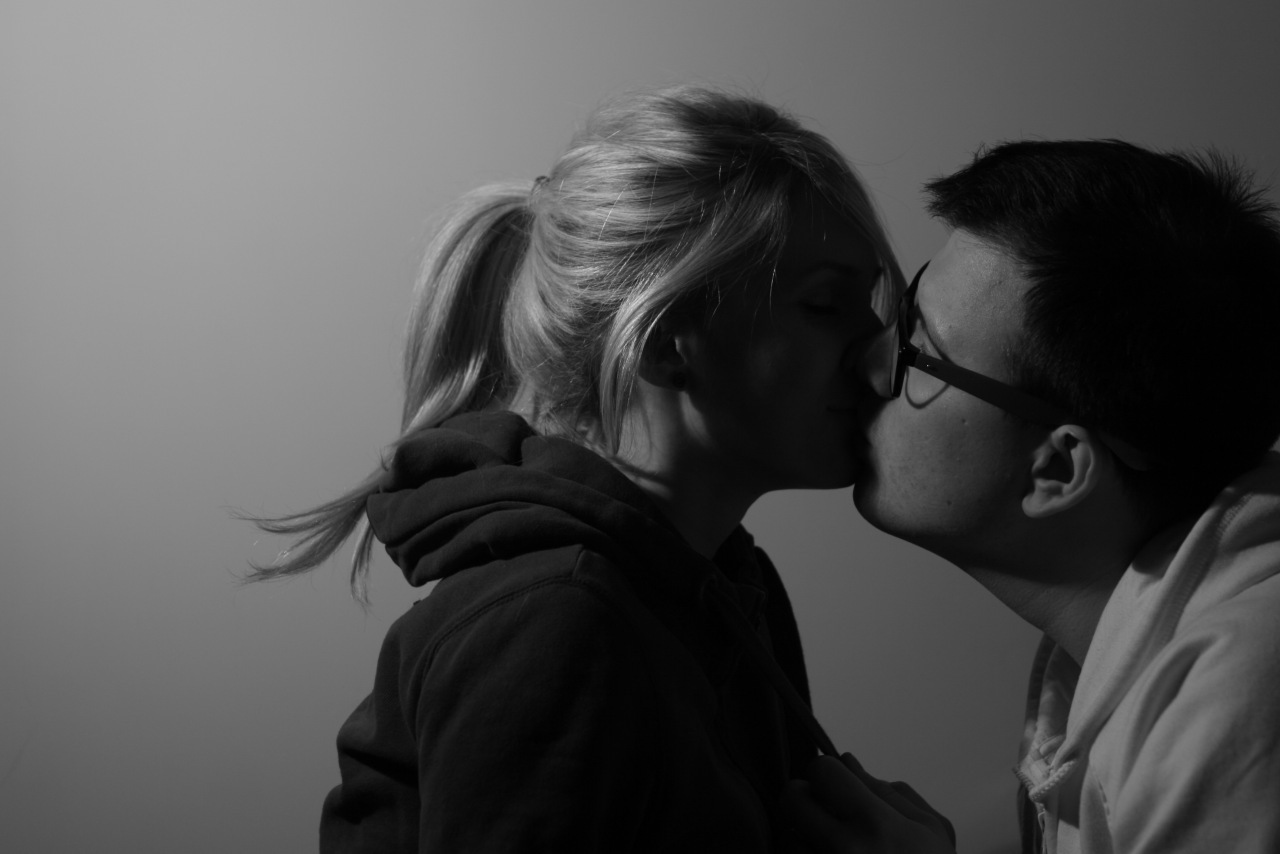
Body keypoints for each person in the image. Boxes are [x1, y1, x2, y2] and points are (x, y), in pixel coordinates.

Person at [245, 85, 902, 852]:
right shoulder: (554, 625)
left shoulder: (732, 588)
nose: (880, 351)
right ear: (665, 343)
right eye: (825, 304)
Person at [781, 139, 1280, 854]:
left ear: (1057, 469)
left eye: (920, 352)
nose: (868, 361)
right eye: (905, 306)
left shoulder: (1238, 699)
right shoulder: (1111, 656)